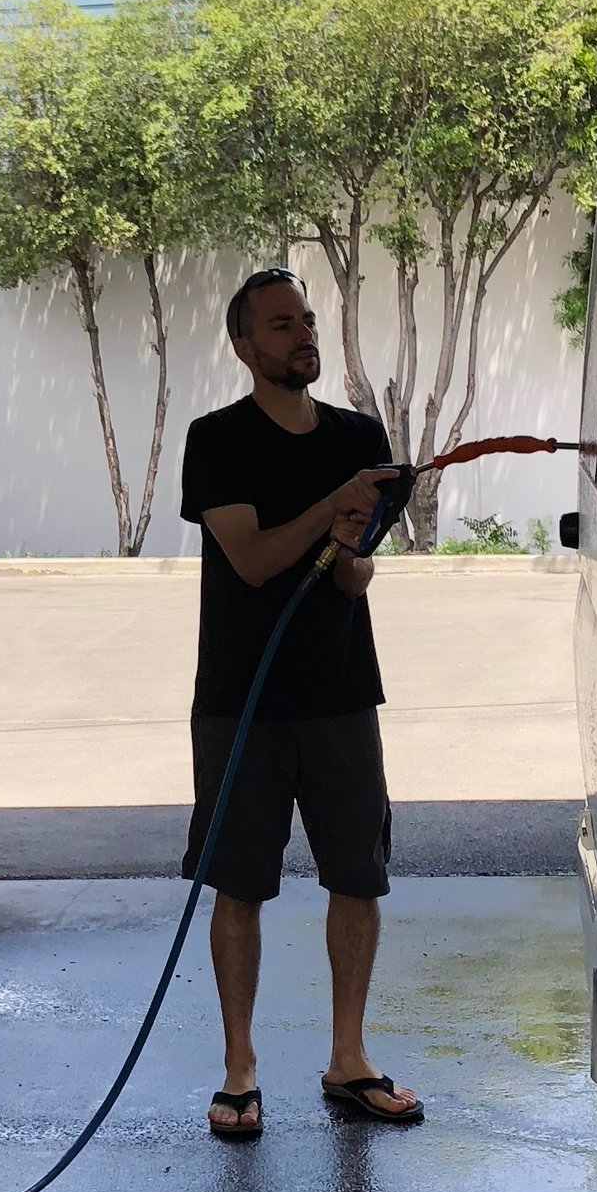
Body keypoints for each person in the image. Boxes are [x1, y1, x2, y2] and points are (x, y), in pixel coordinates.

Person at [179, 266, 424, 1142]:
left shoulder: (359, 434)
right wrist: (333, 506)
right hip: (242, 700)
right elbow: (249, 559)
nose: (301, 334)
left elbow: (353, 577)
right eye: (280, 325)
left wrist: (356, 543)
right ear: (245, 347)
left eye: (307, 320)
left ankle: (348, 1057)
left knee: (357, 876)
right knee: (240, 883)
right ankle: (240, 1067)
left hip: (342, 695)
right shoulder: (218, 441)